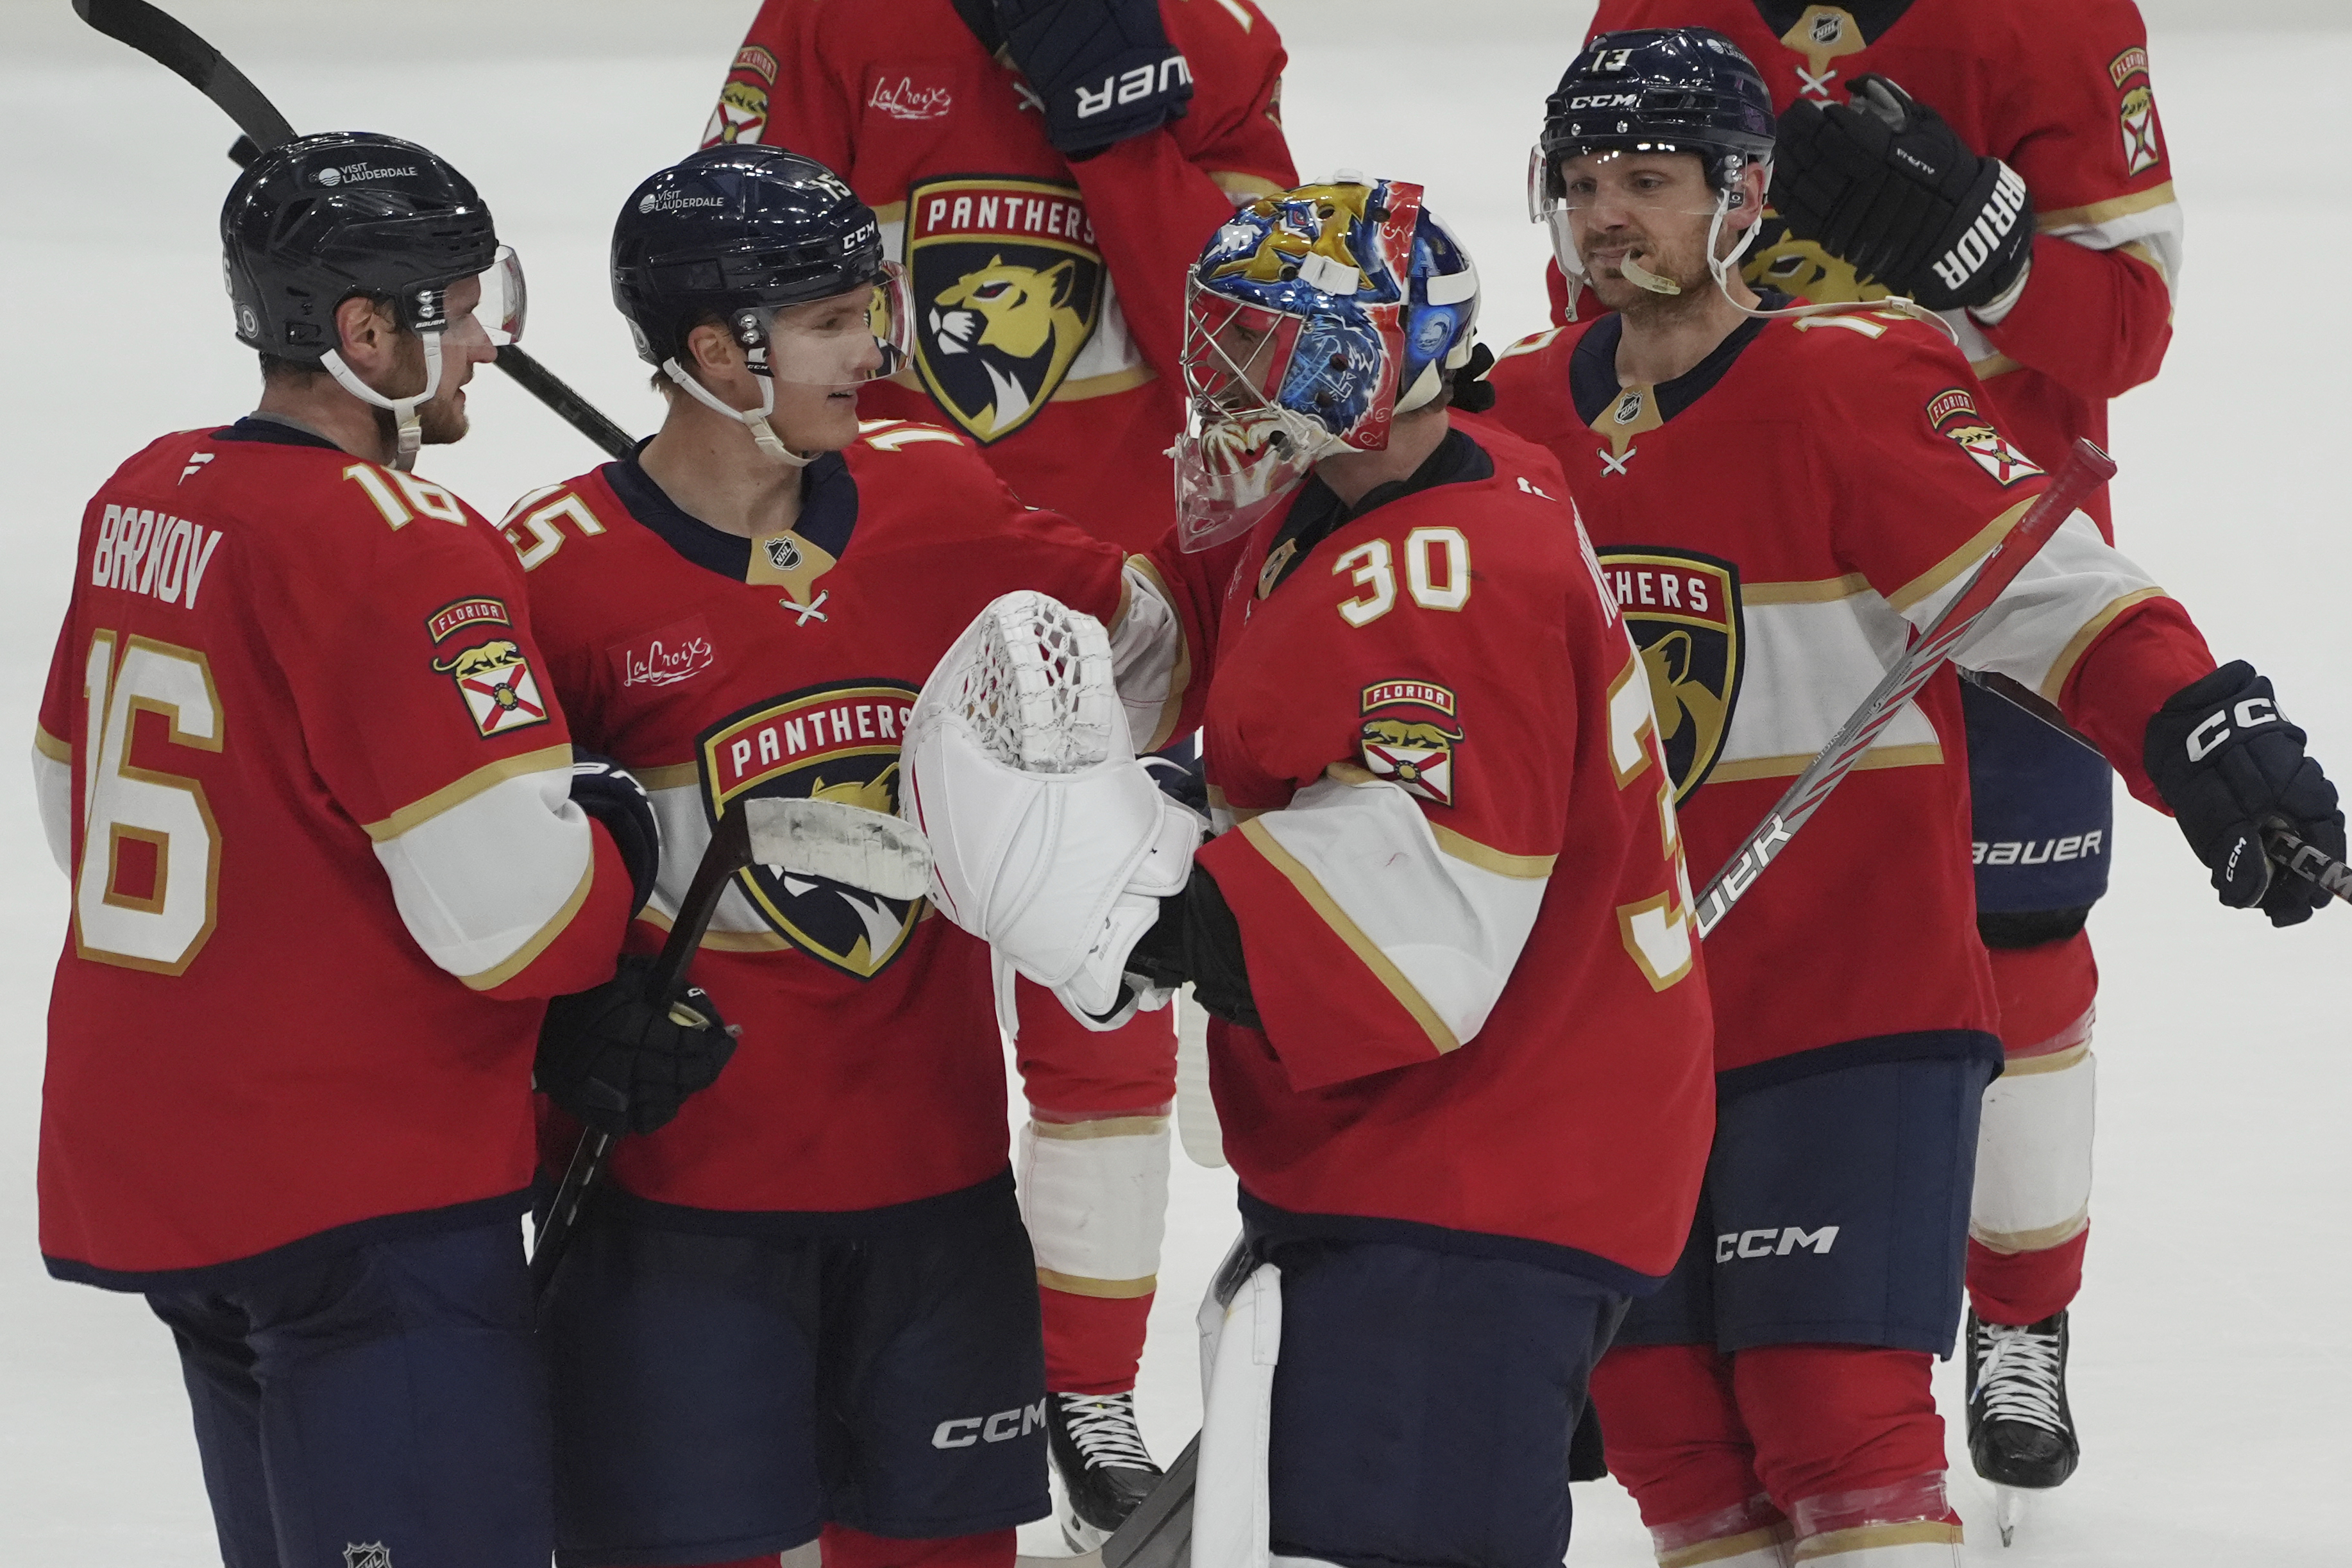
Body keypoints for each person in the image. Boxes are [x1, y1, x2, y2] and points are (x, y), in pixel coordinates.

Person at [1488, 30, 2338, 1567]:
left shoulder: (1855, 380)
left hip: (1846, 1009)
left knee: (1836, 1419)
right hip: (1616, 1028)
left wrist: (2208, 736)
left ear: (1743, 197)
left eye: (1652, 185)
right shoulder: (1512, 424)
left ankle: (2027, 1300)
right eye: (1587, 184)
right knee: (1675, 1443)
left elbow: (2053, 595)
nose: (1610, 217)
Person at [904, 176, 1718, 1568]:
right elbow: (1293, 750)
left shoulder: (1445, 572)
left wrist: (1129, 901)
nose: (1214, 374)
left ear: (1359, 366)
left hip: (1477, 1179)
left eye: (1254, 346)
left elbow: (1422, 934)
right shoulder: (1377, 491)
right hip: (1449, 1165)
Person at [32, 131, 727, 1568]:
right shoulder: (405, 545)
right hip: (361, 1191)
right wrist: (604, 827)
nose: (480, 340)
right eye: (458, 305)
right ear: (365, 332)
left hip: (169, 1157)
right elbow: (520, 924)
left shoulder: (146, 491)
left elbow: (72, 808)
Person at [510, 144, 1200, 1568]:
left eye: (869, 308)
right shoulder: (551, 577)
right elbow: (485, 879)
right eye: (832, 322)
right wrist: (561, 1020)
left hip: (932, 1198)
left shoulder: (936, 492)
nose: (876, 349)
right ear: (716, 350)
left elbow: (1143, 649)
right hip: (678, 1211)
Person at [696, 4, 1298, 1530]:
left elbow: (1258, 346)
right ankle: (812, 1354)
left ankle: (1084, 1386)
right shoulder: (834, 23)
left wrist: (1128, 149)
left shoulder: (1205, 37)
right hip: (862, 582)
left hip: (1114, 606)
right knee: (851, 974)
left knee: (1100, 998)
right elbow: (725, 283)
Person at [1570, 0, 2181, 1496]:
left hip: (1990, 553)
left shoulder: (2050, 21)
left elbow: (2129, 331)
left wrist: (2002, 258)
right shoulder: (1656, 17)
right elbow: (1598, 279)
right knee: (1720, 944)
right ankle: (1654, 1313)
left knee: (2023, 939)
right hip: (1753, 563)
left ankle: (2022, 1314)